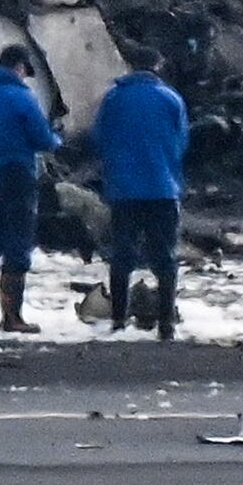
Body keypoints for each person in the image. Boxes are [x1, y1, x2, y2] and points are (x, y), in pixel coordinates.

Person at [92, 48, 190, 339]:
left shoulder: (113, 98)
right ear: (157, 65)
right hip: (162, 188)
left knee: (122, 255)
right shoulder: (171, 99)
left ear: (130, 66)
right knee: (165, 257)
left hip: (123, 190)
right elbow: (182, 140)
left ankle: (119, 320)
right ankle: (166, 324)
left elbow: (99, 138)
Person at [0, 47, 59, 333]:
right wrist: (57, 141)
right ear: (19, 67)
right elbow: (41, 138)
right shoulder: (23, 98)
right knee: (17, 242)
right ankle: (11, 316)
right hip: (16, 175)